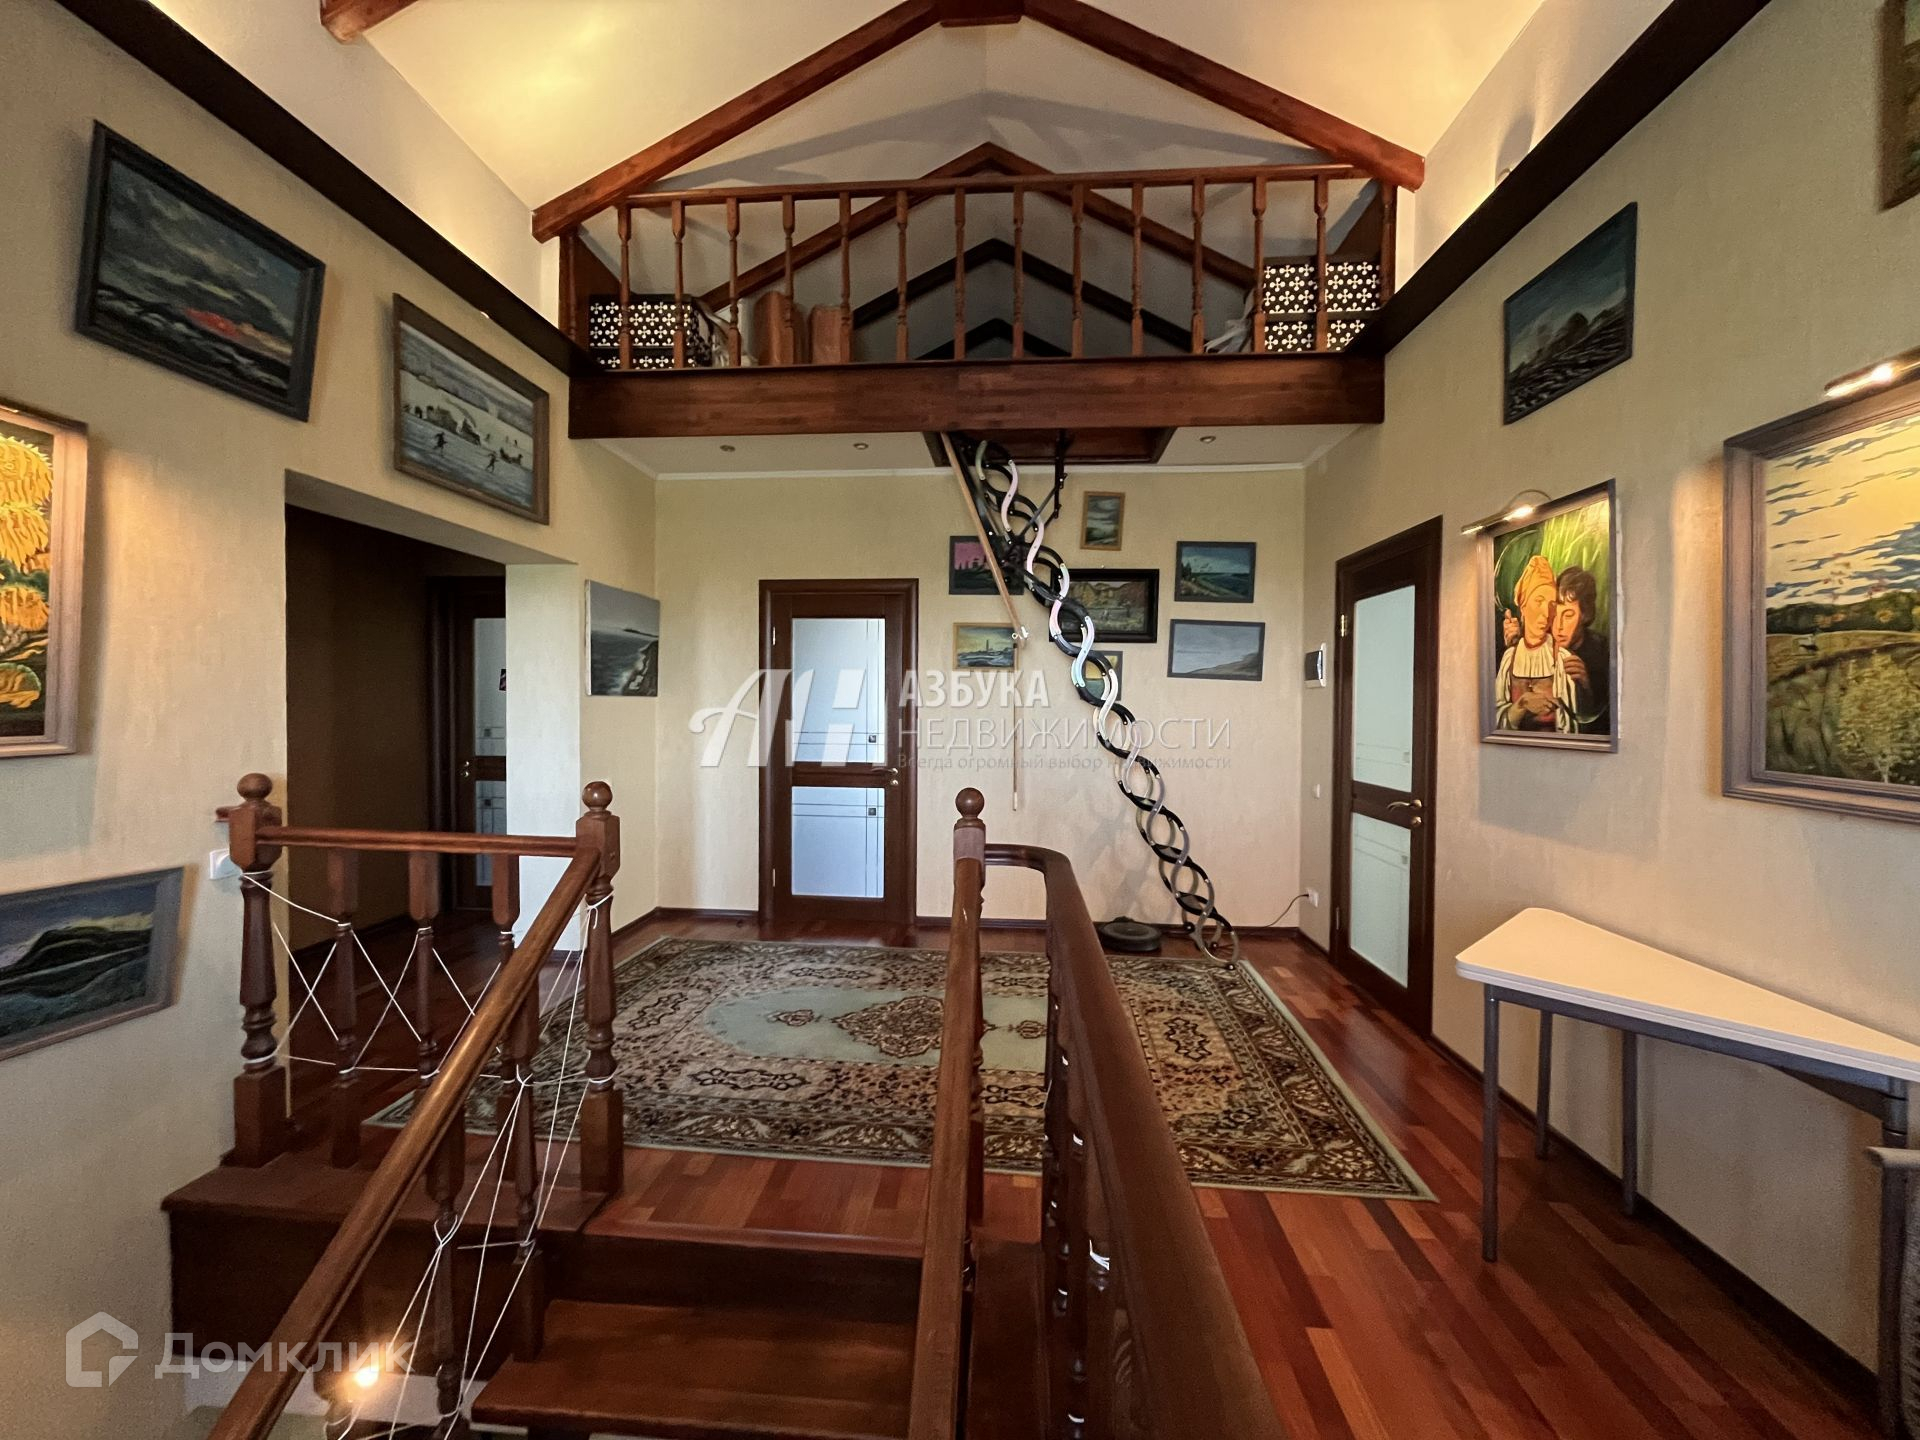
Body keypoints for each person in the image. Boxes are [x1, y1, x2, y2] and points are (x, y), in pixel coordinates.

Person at [1494, 553, 1577, 732]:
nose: (1546, 612)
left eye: (1551, 604)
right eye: (1539, 601)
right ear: (1523, 605)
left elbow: (1573, 724)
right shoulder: (1510, 658)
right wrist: (1521, 705)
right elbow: (1496, 718)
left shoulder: (1562, 658)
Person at [1550, 565, 1609, 733]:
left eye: (1568, 615)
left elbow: (1604, 723)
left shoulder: (1602, 651)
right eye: (1555, 614)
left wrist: (1586, 686)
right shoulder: (1544, 644)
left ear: (1585, 614)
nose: (1559, 626)